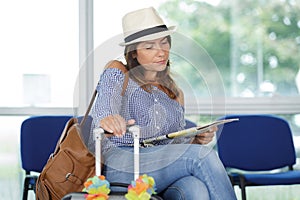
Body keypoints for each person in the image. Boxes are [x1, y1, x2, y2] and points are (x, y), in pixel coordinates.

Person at [90, 7, 237, 200]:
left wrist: (195, 139)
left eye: (164, 42)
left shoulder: (175, 93)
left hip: (161, 166)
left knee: (195, 188)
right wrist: (109, 119)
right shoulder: (118, 71)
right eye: (149, 47)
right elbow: (103, 110)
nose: (160, 52)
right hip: (122, 162)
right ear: (133, 53)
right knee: (203, 156)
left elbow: (173, 145)